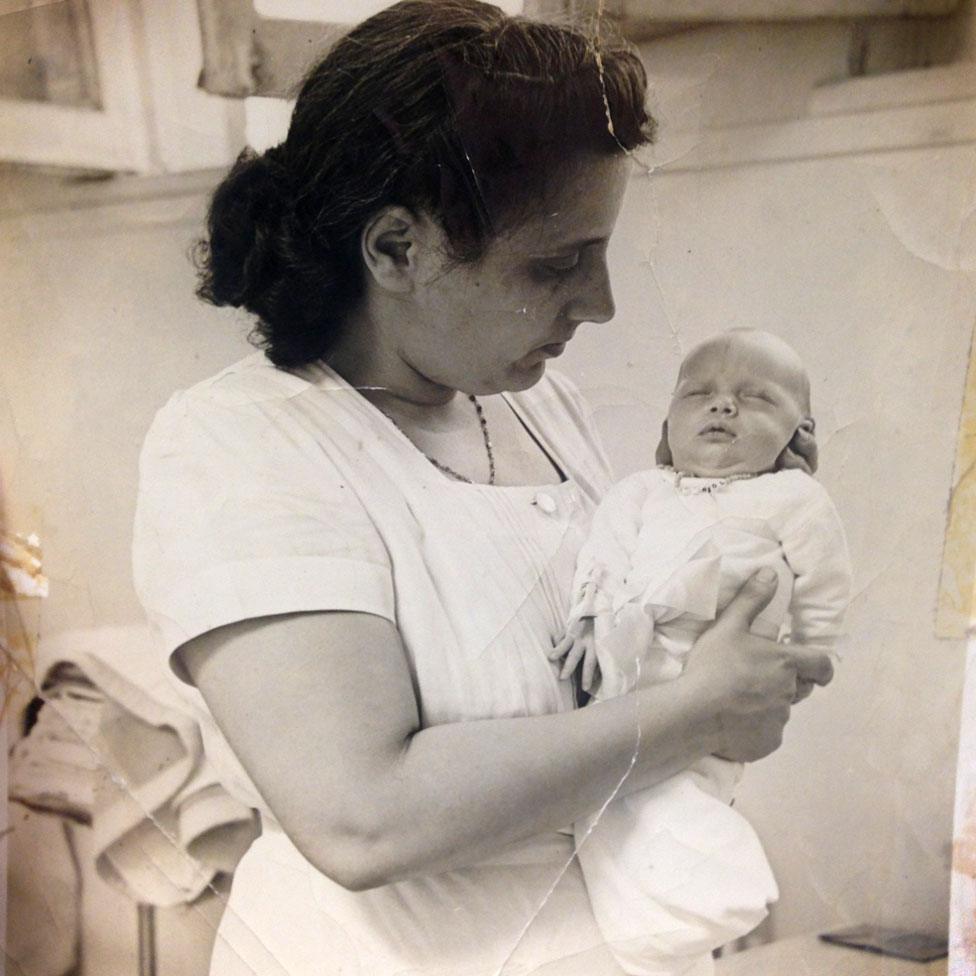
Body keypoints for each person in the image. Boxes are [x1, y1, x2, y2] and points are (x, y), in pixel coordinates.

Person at [131, 4, 833, 974]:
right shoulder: (244, 442)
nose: (600, 303)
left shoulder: (542, 408)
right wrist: (697, 712)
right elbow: (362, 817)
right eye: (556, 264)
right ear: (394, 250)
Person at [553, 329, 852, 975]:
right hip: (629, 657)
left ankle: (700, 898)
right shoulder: (641, 491)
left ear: (799, 433)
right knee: (609, 794)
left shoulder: (795, 498)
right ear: (668, 422)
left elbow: (826, 582)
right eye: (701, 394)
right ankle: (652, 928)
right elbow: (604, 554)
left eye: (755, 399)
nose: (723, 408)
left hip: (721, 671)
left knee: (692, 782)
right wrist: (586, 617)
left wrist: (811, 654)